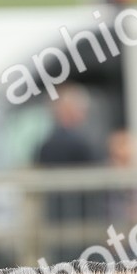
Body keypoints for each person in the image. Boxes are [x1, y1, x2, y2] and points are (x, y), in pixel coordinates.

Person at [34, 84, 102, 225]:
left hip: (57, 218)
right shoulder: (74, 142)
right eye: (80, 109)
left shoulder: (46, 143)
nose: (83, 114)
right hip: (78, 218)